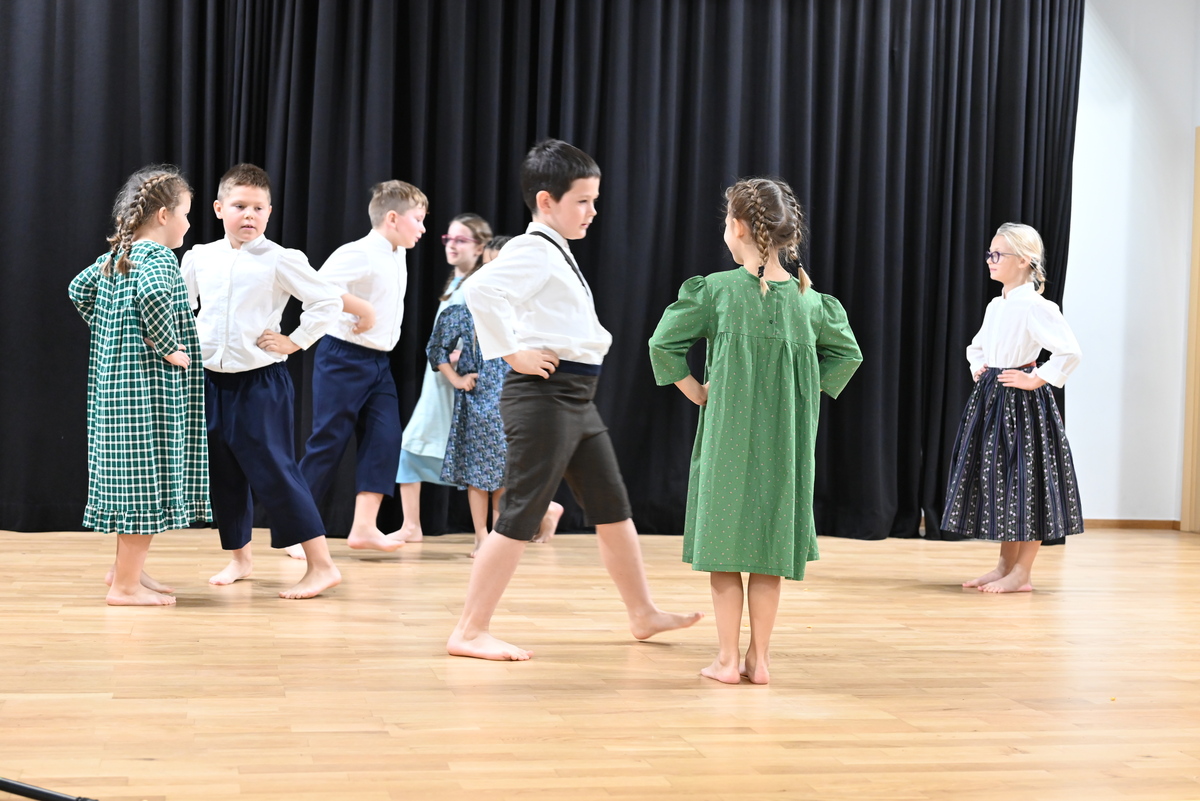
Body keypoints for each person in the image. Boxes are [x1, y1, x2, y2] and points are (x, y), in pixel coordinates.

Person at [448, 139, 703, 661]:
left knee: (612, 506)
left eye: (594, 200)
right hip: (546, 397)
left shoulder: (553, 250)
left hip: (575, 398)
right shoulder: (533, 250)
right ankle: (469, 631)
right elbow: (479, 291)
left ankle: (642, 612)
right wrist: (512, 353)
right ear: (546, 202)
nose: (592, 211)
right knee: (520, 513)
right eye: (582, 201)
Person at [649, 177, 862, 684]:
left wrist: (696, 391)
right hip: (786, 445)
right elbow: (847, 355)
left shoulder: (717, 291)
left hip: (728, 441)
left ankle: (726, 659)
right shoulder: (811, 303)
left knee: (725, 551)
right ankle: (758, 660)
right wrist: (803, 393)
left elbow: (662, 343)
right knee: (768, 551)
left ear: (739, 227)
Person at [181, 163, 343, 599]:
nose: (249, 215)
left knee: (276, 472)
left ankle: (322, 565)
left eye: (258, 207)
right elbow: (183, 306)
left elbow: (327, 300)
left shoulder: (280, 259)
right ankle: (240, 558)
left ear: (269, 212)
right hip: (209, 383)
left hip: (261, 384)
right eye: (239, 206)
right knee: (223, 473)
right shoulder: (200, 257)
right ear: (219, 209)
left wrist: (296, 341)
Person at [68, 165, 209, 606]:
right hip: (144, 393)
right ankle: (125, 589)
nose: (189, 223)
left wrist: (113, 329)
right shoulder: (159, 258)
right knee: (144, 485)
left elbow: (78, 289)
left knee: (128, 481)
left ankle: (125, 572)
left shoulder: (117, 257)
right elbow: (151, 296)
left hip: (114, 389)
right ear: (164, 215)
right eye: (186, 214)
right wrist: (167, 346)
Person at [942, 222, 1084, 593]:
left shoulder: (1037, 307)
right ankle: (1005, 566)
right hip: (994, 398)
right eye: (989, 253)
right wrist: (981, 367)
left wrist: (1035, 378)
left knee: (1027, 480)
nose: (990, 260)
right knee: (1005, 481)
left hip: (1022, 405)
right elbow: (977, 346)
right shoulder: (997, 305)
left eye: (998, 254)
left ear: (1023, 260)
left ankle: (1023, 572)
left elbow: (1069, 351)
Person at [292, 180, 427, 553]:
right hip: (343, 359)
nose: (423, 228)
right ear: (393, 218)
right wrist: (363, 309)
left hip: (378, 363)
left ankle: (365, 526)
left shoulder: (398, 253)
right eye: (418, 219)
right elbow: (316, 286)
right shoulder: (360, 252)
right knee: (328, 441)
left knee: (386, 438)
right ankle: (296, 530)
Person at [426, 235, 563, 556]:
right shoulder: (466, 311)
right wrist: (457, 379)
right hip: (478, 401)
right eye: (487, 265)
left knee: (506, 472)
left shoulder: (528, 312)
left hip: (515, 397)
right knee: (477, 473)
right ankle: (481, 537)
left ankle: (503, 534)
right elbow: (436, 348)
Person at [388, 214, 492, 542]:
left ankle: (544, 511)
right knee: (412, 449)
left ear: (479, 247)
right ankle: (411, 526)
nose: (452, 245)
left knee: (469, 458)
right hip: (440, 383)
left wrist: (460, 359)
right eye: (449, 239)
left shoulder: (475, 286)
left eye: (461, 240)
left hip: (458, 385)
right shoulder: (456, 283)